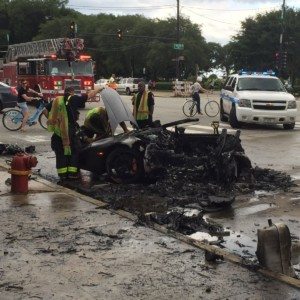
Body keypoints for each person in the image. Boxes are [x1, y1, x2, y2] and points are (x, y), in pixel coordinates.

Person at [47, 85, 104, 181]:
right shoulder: (73, 99)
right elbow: (89, 95)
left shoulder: (57, 100)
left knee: (61, 151)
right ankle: (72, 174)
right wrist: (98, 89)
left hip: (58, 130)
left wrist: (55, 121)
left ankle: (63, 175)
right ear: (72, 92)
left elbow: (45, 110)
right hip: (69, 129)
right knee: (74, 150)